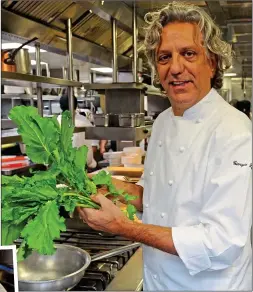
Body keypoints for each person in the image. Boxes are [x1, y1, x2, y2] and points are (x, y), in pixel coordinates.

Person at [78, 2, 252, 290]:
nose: (175, 68)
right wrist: (115, 186)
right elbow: (158, 199)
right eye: (164, 57)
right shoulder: (161, 122)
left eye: (188, 53)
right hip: (158, 282)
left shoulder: (235, 132)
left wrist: (124, 227)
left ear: (212, 62)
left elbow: (222, 243)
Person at [57, 95, 97, 170]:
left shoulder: (56, 122)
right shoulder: (84, 121)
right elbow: (94, 145)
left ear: (60, 106)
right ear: (76, 105)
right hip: (84, 167)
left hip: (63, 168)